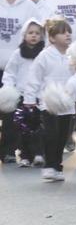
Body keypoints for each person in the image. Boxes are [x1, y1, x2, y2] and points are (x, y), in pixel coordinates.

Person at [23, 18, 76, 181]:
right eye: (62, 32)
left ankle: (57, 166)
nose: (67, 34)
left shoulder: (73, 57)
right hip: (49, 104)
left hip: (68, 106)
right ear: (52, 38)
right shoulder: (44, 56)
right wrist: (30, 99)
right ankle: (49, 166)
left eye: (69, 32)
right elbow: (34, 78)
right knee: (51, 135)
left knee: (62, 137)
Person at [2, 19, 46, 166]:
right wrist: (9, 88)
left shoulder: (44, 53)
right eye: (30, 32)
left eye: (37, 33)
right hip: (21, 94)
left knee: (39, 125)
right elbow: (10, 72)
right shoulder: (18, 54)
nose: (34, 36)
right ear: (24, 34)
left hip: (39, 95)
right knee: (22, 126)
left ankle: (39, 153)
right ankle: (25, 155)